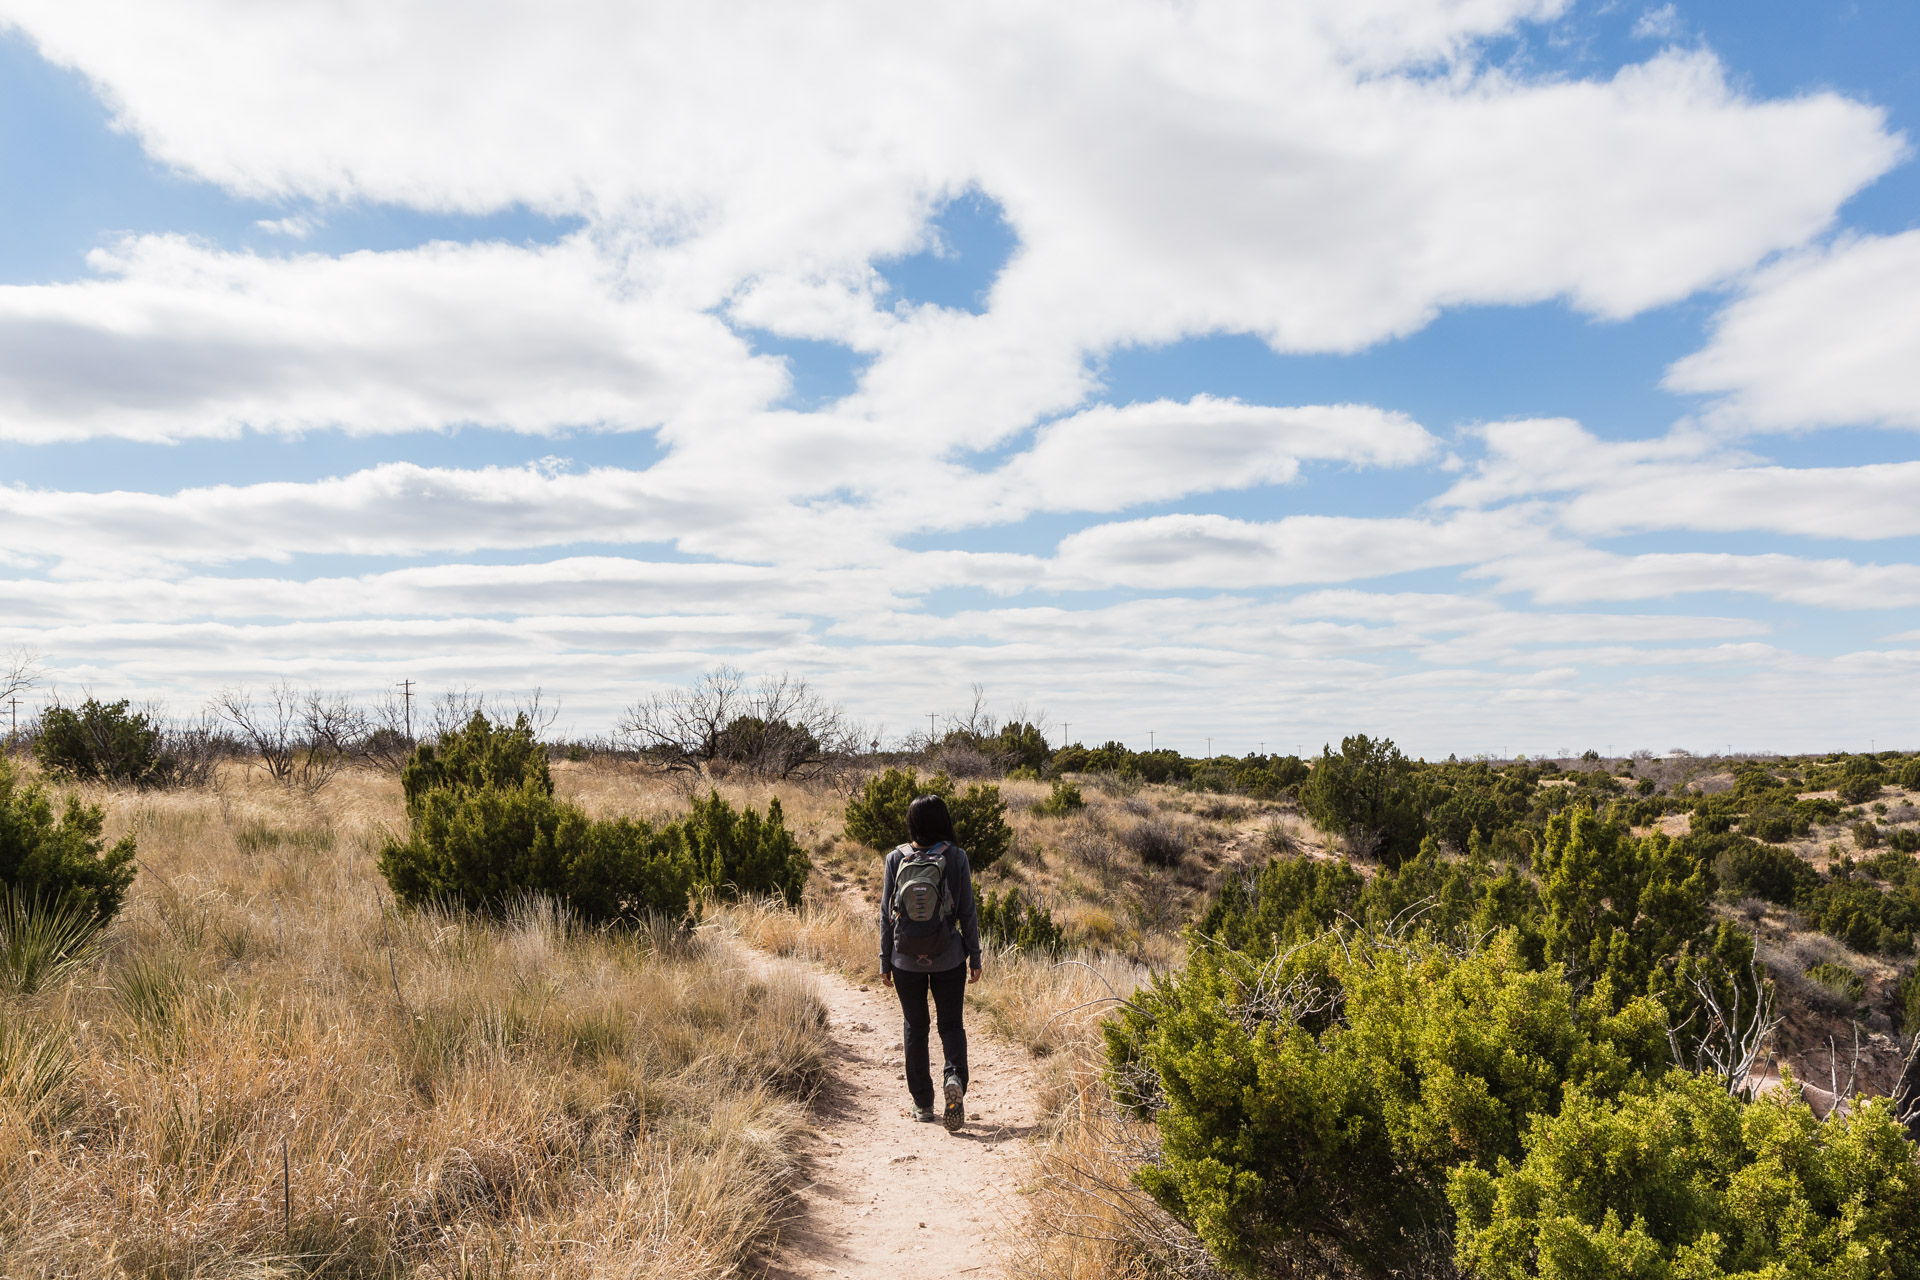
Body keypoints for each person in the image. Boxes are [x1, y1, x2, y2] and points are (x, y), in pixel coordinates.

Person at [879, 794, 982, 1131]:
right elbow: (967, 911)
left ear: (912, 823)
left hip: (905, 959)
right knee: (950, 1025)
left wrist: (884, 961)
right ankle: (953, 1077)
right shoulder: (956, 857)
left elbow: (886, 916)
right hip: (948, 956)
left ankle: (923, 1104)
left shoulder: (896, 858)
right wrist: (974, 956)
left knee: (915, 1027)